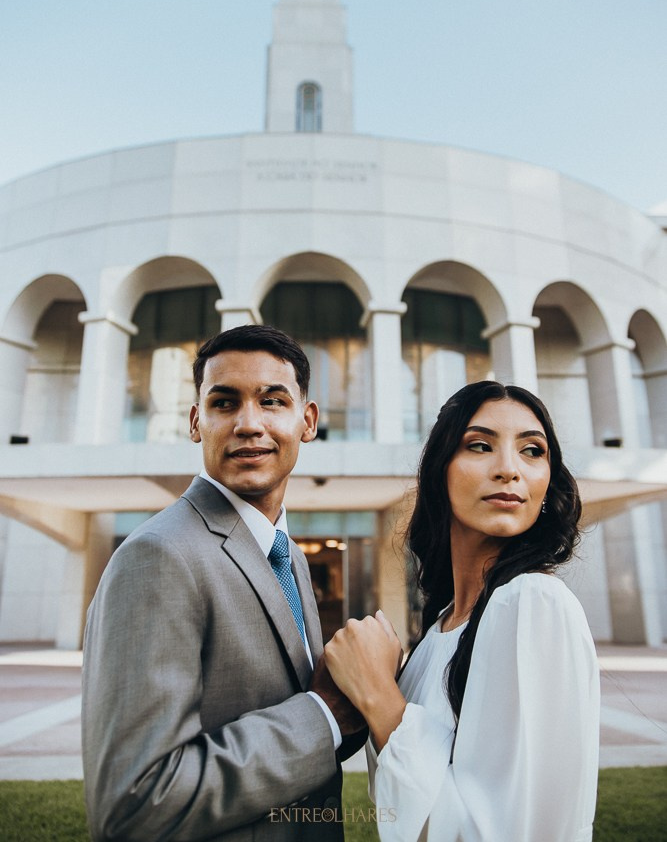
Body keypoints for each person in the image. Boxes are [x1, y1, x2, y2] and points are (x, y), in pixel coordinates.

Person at [82, 324, 364, 842]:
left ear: (308, 421)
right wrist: (323, 717)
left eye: (273, 401)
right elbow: (135, 805)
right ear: (196, 421)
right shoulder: (156, 557)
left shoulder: (289, 557)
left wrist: (356, 703)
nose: (249, 424)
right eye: (224, 402)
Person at [323, 381, 600, 842]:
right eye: (480, 445)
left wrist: (378, 694)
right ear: (440, 472)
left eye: (533, 450)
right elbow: (402, 808)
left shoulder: (533, 603)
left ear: (548, 483)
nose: (509, 469)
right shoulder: (440, 628)